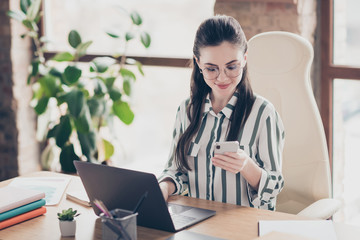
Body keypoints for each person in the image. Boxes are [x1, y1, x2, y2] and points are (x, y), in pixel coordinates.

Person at [158, 15, 285, 210]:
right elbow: (177, 171)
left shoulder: (263, 113)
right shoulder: (187, 110)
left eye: (231, 67)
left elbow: (274, 186)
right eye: (211, 69)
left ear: (244, 59)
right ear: (198, 63)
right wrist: (163, 188)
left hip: (244, 227)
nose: (222, 78)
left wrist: (246, 166)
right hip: (198, 222)